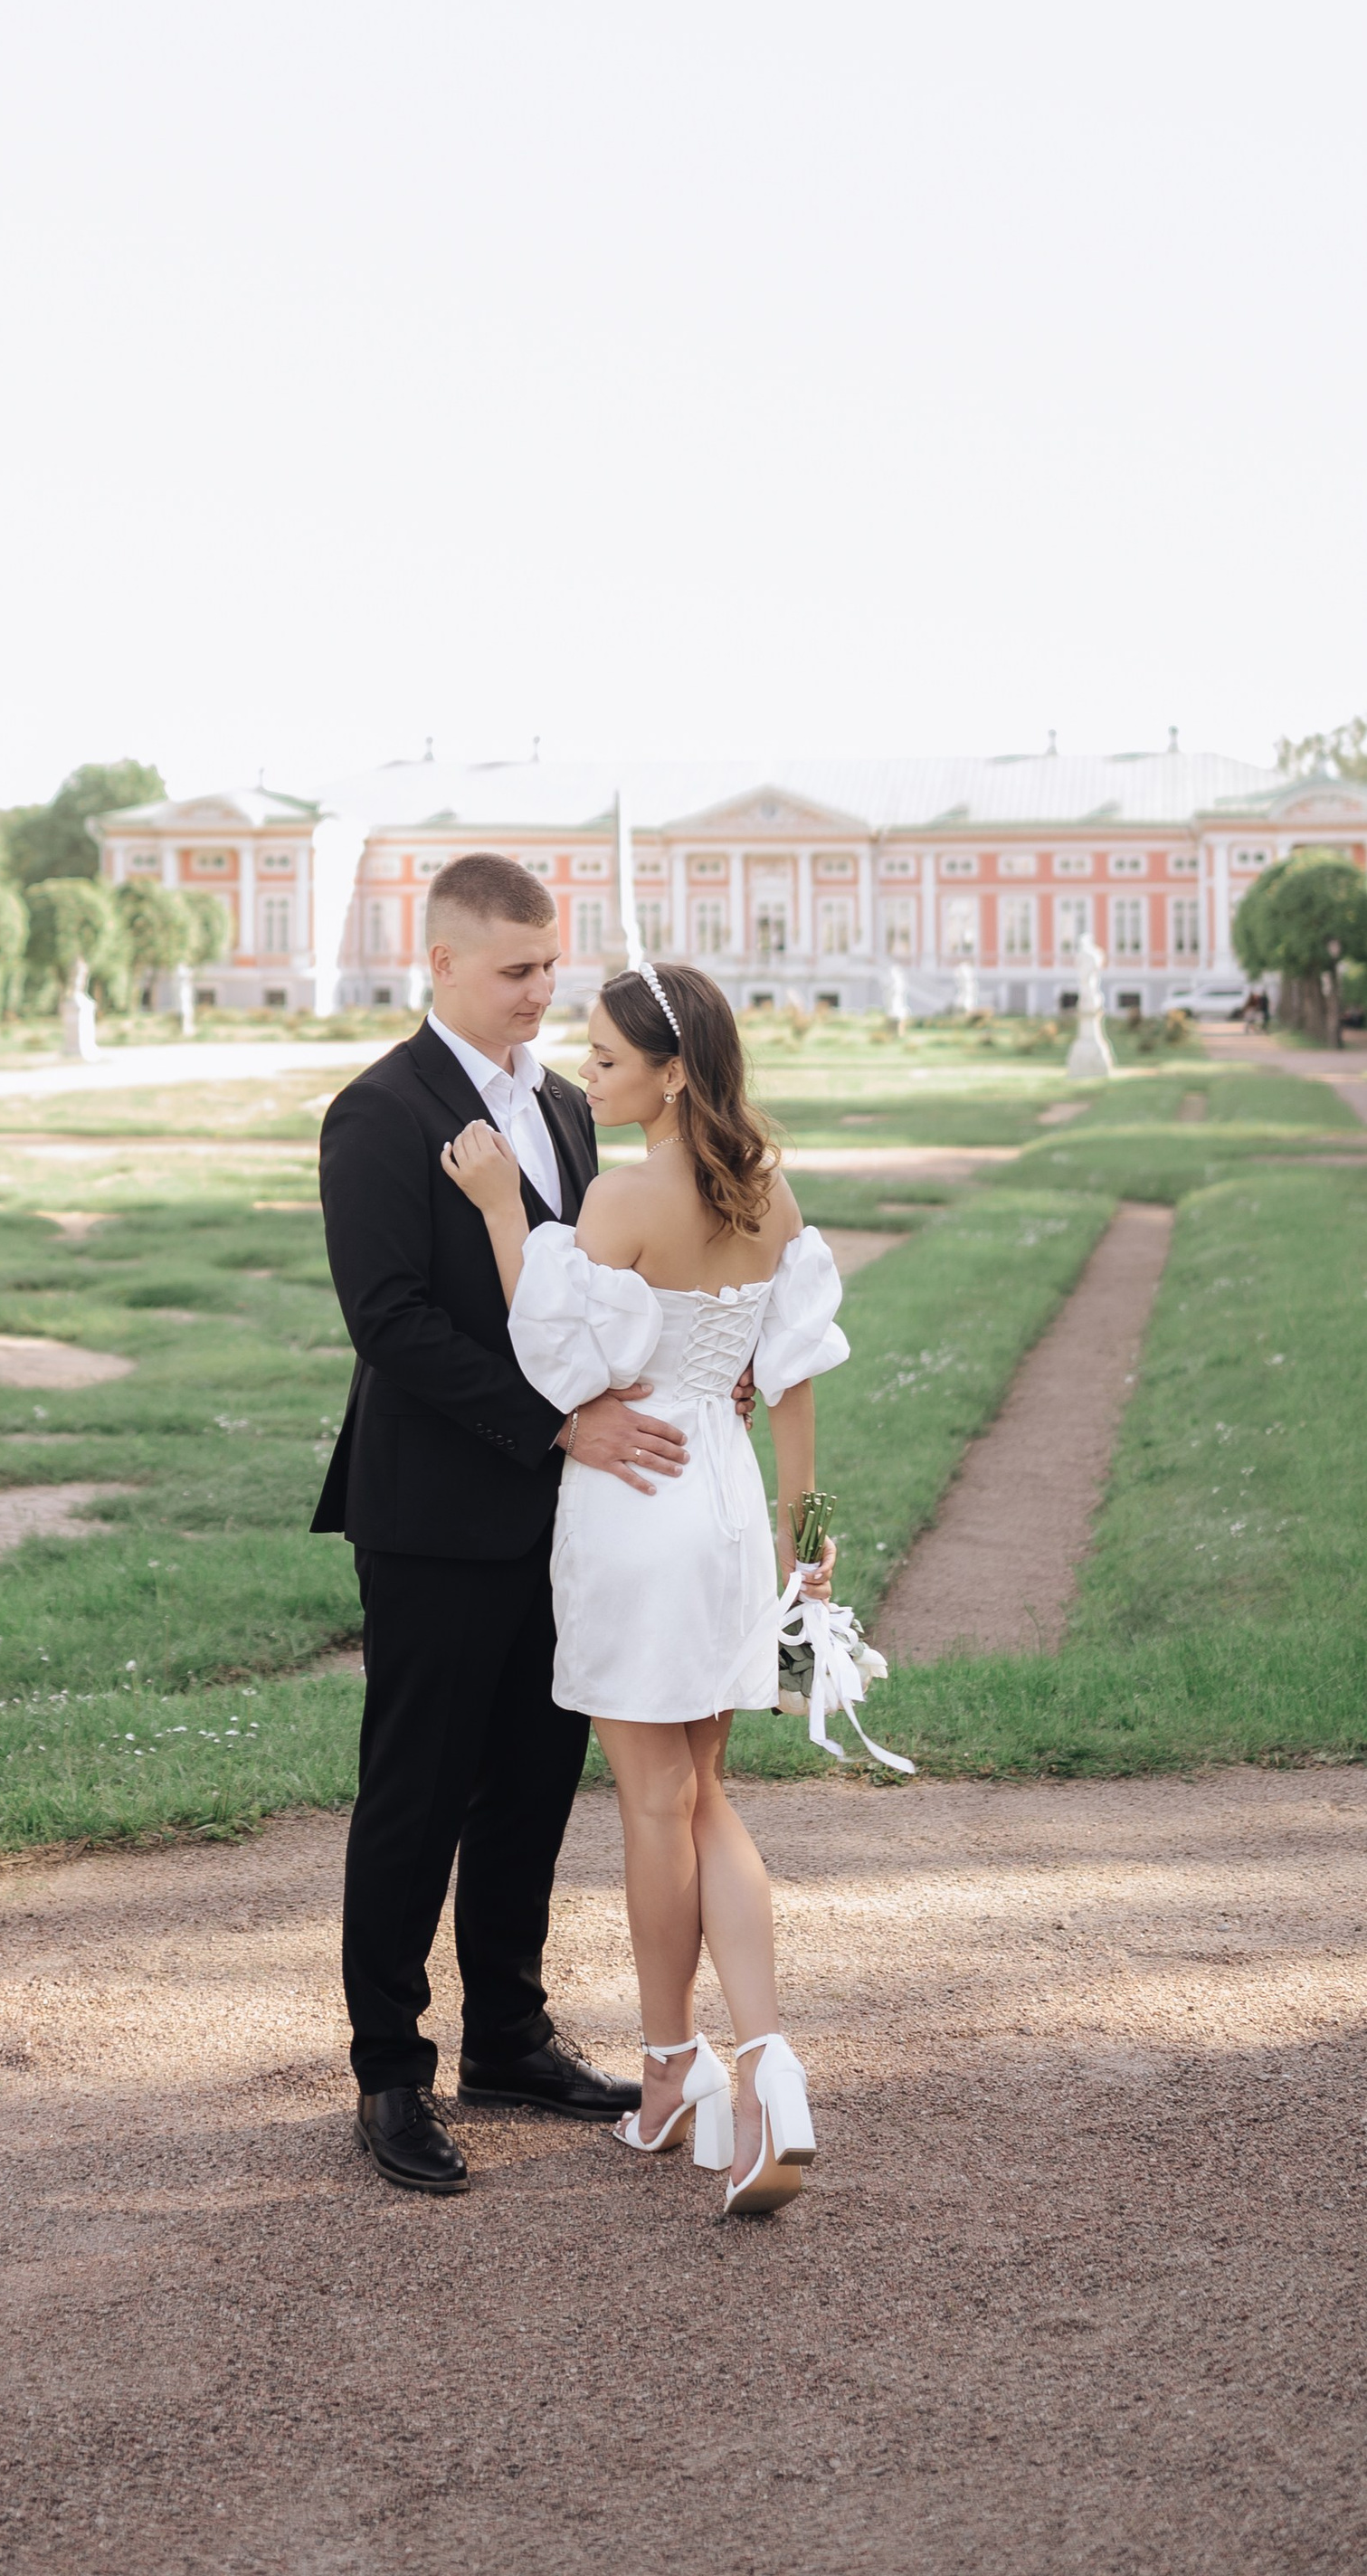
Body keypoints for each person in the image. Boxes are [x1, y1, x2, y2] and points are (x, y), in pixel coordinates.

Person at [315, 854, 736, 2195]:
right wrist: (560, 1425)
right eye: (515, 970)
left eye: (550, 965)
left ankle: (509, 2033)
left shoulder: (566, 1105)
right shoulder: (374, 1114)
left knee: (532, 1788)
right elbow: (391, 1323)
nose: (542, 992)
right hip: (434, 1516)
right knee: (417, 1794)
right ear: (435, 962)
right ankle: (391, 2068)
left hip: (570, 1520)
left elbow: (581, 1296)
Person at [441, 957, 849, 2216]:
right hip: (729, 1512)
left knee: (654, 1803)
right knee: (704, 1792)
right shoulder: (768, 1194)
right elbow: (790, 1383)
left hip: (636, 1513)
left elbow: (560, 1363)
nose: (587, 1075)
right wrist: (808, 1542)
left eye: (609, 1060)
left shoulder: (620, 1201)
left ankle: (674, 2073)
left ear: (674, 1073)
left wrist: (506, 1210)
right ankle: (765, 2067)